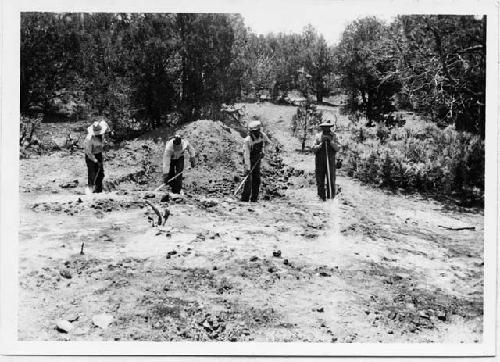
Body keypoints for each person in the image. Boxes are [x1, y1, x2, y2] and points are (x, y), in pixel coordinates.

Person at [241, 120, 270, 202]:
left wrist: (263, 151)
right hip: (248, 161)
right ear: (251, 131)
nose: (257, 133)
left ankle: (254, 199)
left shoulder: (262, 135)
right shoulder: (248, 140)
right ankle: (244, 200)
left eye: (258, 130)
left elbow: (268, 143)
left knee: (257, 180)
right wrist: (248, 168)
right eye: (255, 131)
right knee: (248, 181)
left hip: (257, 160)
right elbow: (246, 155)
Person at [311, 122, 340, 201]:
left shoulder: (334, 136)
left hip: (330, 161)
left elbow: (337, 148)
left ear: (330, 128)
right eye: (324, 127)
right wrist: (320, 145)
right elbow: (313, 148)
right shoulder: (318, 136)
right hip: (320, 161)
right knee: (320, 179)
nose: (326, 129)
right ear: (322, 128)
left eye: (328, 127)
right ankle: (321, 197)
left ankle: (331, 197)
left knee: (331, 179)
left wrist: (331, 142)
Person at [83, 118, 110, 194]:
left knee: (101, 173)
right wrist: (96, 161)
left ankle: (99, 190)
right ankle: (90, 190)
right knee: (92, 173)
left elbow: (106, 125)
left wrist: (106, 144)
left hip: (99, 153)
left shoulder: (102, 128)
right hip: (91, 156)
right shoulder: (89, 140)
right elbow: (89, 153)